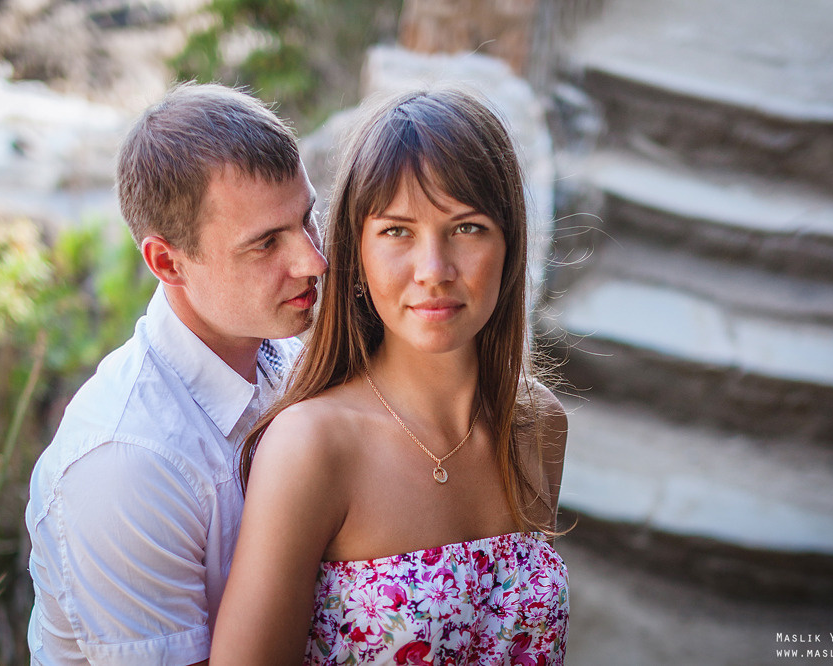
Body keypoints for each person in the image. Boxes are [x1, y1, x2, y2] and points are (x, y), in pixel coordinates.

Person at [210, 88, 569, 665]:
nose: (434, 271)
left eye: (467, 228)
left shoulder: (537, 424)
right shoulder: (313, 445)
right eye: (398, 231)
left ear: (510, 244)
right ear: (357, 254)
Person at [25, 82, 328, 665]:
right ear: (168, 262)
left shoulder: (286, 356)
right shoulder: (125, 465)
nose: (313, 260)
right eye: (266, 243)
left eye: (306, 218)